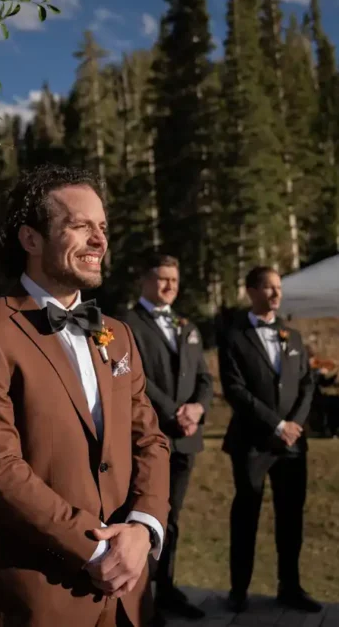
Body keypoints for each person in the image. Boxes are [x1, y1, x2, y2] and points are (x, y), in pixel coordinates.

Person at [0, 164, 170, 627]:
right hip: (41, 594)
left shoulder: (119, 335)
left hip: (130, 595)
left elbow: (150, 440)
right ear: (31, 239)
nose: (99, 240)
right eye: (80, 225)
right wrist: (98, 547)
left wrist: (143, 529)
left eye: (102, 227)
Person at [218, 266, 320, 615]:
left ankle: (289, 586)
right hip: (252, 443)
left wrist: (295, 425)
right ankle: (238, 589)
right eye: (268, 287)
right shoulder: (234, 336)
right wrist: (277, 424)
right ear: (251, 291)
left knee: (291, 517)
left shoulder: (294, 336)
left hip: (292, 444)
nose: (276, 294)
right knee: (246, 515)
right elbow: (235, 389)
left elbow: (307, 383)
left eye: (279, 288)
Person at [123, 254, 212, 621]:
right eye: (161, 279)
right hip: (148, 436)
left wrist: (197, 409)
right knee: (142, 516)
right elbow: (134, 377)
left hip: (186, 439)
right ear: (145, 281)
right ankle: (139, 596)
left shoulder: (187, 325)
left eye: (174, 280)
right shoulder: (127, 324)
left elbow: (205, 378)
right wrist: (174, 411)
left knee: (172, 517)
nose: (169, 287)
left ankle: (167, 588)